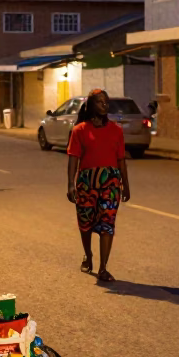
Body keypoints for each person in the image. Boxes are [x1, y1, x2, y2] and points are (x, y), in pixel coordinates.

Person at [66, 89, 130, 281]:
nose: (104, 105)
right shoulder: (80, 130)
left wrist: (125, 185)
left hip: (110, 182)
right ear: (91, 105)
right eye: (100, 102)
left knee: (107, 224)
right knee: (85, 224)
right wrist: (71, 184)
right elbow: (73, 159)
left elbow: (121, 160)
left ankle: (103, 268)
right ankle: (88, 254)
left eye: (106, 102)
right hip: (87, 183)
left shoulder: (116, 130)